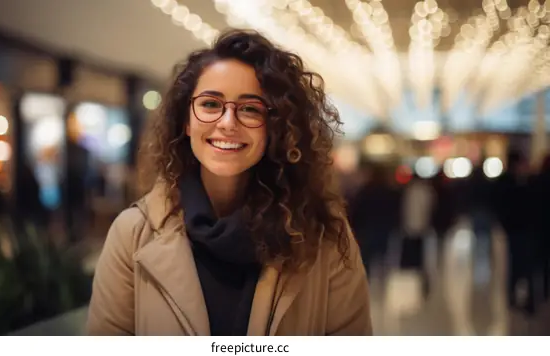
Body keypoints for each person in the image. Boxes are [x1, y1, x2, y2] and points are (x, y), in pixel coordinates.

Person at [87, 29, 371, 336]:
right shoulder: (132, 235)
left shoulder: (323, 237)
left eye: (250, 108)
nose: (227, 123)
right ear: (187, 119)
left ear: (275, 127)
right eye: (210, 104)